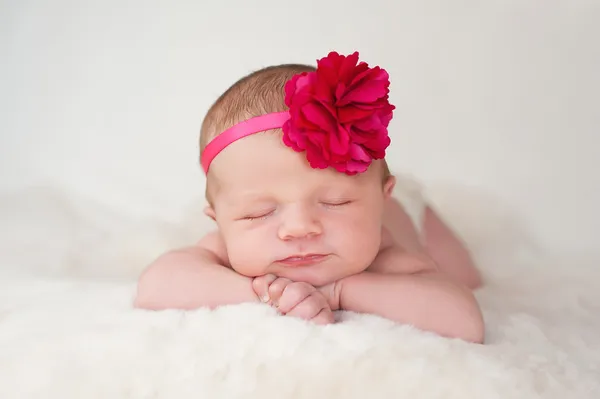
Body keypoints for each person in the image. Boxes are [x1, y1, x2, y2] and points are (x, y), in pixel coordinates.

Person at [134, 51, 485, 343]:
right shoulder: (227, 247)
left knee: (465, 273)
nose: (300, 228)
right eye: (259, 213)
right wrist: (268, 293)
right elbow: (154, 287)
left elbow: (463, 320)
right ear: (220, 221)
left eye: (336, 202)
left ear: (382, 199)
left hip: (412, 210)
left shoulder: (387, 254)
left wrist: (338, 292)